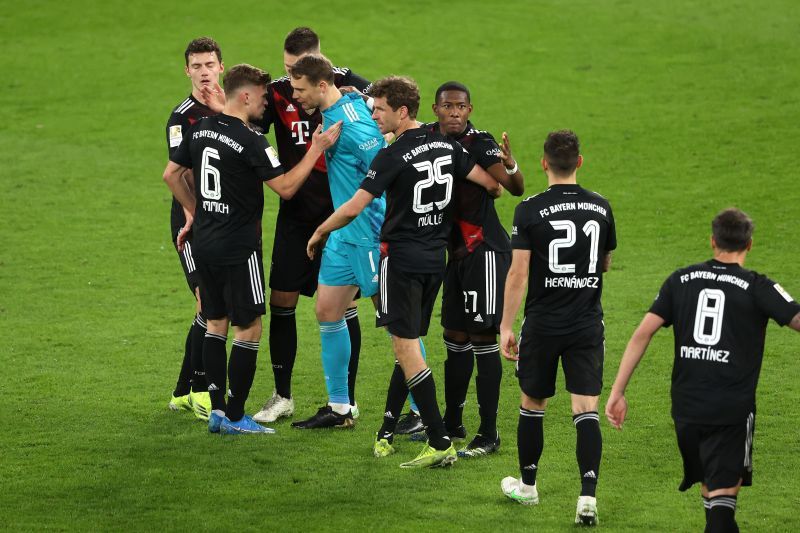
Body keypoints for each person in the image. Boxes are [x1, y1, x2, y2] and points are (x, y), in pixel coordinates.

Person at [306, 76, 502, 467]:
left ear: (402, 111)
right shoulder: (446, 144)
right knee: (409, 344)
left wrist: (320, 231)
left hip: (401, 260)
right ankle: (395, 428)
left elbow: (354, 207)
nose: (372, 115)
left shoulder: (391, 156)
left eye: (378, 109)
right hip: (436, 261)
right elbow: (493, 187)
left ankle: (439, 439)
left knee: (405, 347)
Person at [163, 64, 341, 434]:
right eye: (262, 97)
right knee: (249, 329)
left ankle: (216, 410)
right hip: (239, 246)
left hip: (206, 243)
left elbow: (171, 175)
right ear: (245, 96)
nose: (266, 104)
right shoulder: (250, 140)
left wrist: (194, 213)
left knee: (215, 323)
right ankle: (235, 416)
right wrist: (316, 148)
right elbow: (287, 187)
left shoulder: (201, 128)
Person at [606, 208, 800, 533]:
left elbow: (643, 333)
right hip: (730, 411)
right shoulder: (757, 286)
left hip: (686, 409)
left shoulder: (680, 279)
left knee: (713, 494)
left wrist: (617, 391)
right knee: (723, 501)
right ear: (749, 244)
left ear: (713, 241)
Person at [396, 81, 525, 457]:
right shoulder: (425, 139)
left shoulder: (480, 142)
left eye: (461, 107)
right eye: (447, 106)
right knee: (454, 338)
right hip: (452, 255)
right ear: (435, 109)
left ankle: (489, 434)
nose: (454, 112)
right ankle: (452, 424)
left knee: (483, 340)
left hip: (483, 251)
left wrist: (511, 164)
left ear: (470, 110)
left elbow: (513, 188)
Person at [253, 27, 371, 424]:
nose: (288, 81)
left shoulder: (352, 88)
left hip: (343, 217)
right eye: (285, 70)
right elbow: (252, 126)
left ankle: (346, 401)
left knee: (343, 308)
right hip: (296, 215)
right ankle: (282, 395)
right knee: (282, 300)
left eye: (295, 72)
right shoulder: (279, 91)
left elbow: (389, 122)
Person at [499, 130, 616, 526]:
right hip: (586, 322)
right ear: (579, 162)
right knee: (586, 410)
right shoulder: (601, 207)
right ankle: (587, 498)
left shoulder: (529, 210)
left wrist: (505, 326)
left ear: (544, 163)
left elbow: (518, 273)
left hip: (544, 324)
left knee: (533, 404)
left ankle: (529, 487)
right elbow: (604, 262)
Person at [280, 54, 385, 429]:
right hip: (343, 234)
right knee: (327, 311)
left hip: (368, 234)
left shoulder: (353, 129)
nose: (296, 98)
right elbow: (361, 102)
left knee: (396, 324)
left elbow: (385, 168)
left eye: (300, 90)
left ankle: (421, 414)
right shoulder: (345, 104)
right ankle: (340, 408)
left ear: (321, 86)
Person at [164, 37, 222, 421]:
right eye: (196, 66)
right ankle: (201, 389)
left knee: (211, 303)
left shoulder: (228, 107)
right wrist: (191, 213)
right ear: (187, 70)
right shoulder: (180, 118)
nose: (203, 73)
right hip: (192, 225)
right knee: (207, 302)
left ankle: (182, 391)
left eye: (209, 65)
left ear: (221, 67)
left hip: (222, 221)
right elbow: (175, 174)